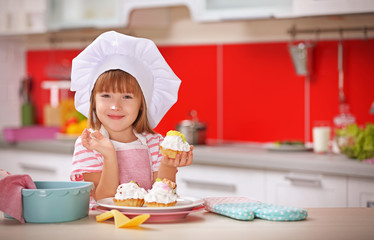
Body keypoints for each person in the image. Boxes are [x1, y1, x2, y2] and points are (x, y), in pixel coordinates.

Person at [69, 31, 193, 208]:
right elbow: (103, 199)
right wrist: (109, 155)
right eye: (106, 95)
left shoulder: (154, 143)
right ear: (93, 101)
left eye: (127, 97)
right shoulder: (88, 145)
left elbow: (163, 196)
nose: (115, 106)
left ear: (142, 104)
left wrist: (169, 164)